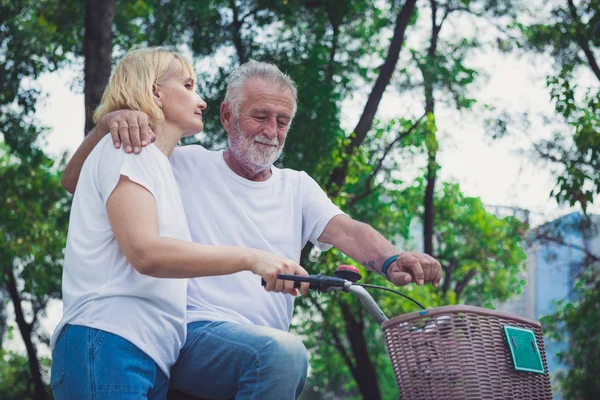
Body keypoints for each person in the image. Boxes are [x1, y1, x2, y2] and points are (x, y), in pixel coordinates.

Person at [61, 60, 443, 400]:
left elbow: (347, 231)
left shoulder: (298, 186)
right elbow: (82, 181)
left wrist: (393, 258)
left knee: (281, 355)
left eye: (282, 121)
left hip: (251, 352)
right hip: (192, 332)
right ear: (227, 117)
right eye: (260, 116)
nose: (272, 131)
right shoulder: (179, 161)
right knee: (282, 354)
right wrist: (108, 125)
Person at [51, 51, 310, 400]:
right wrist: (252, 259)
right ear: (155, 92)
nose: (201, 100)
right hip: (109, 338)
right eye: (188, 86)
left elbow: (76, 182)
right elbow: (147, 254)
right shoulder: (130, 149)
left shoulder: (159, 165)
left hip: (150, 352)